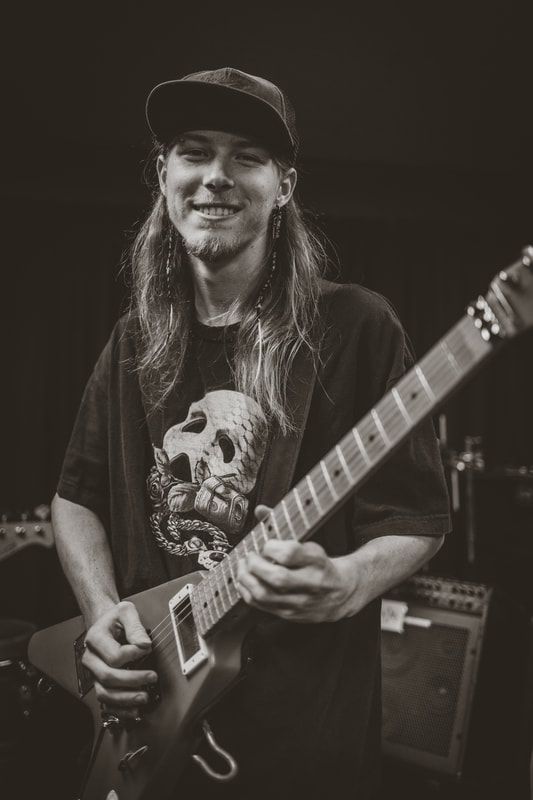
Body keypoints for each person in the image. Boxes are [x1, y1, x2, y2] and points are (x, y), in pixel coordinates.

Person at [52, 67, 451, 799]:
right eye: (194, 152)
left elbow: (418, 515)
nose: (215, 177)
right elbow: (74, 498)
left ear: (285, 185)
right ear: (162, 174)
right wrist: (102, 617)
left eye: (247, 156)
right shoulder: (134, 341)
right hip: (149, 720)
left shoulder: (355, 327)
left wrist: (348, 582)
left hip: (302, 743)